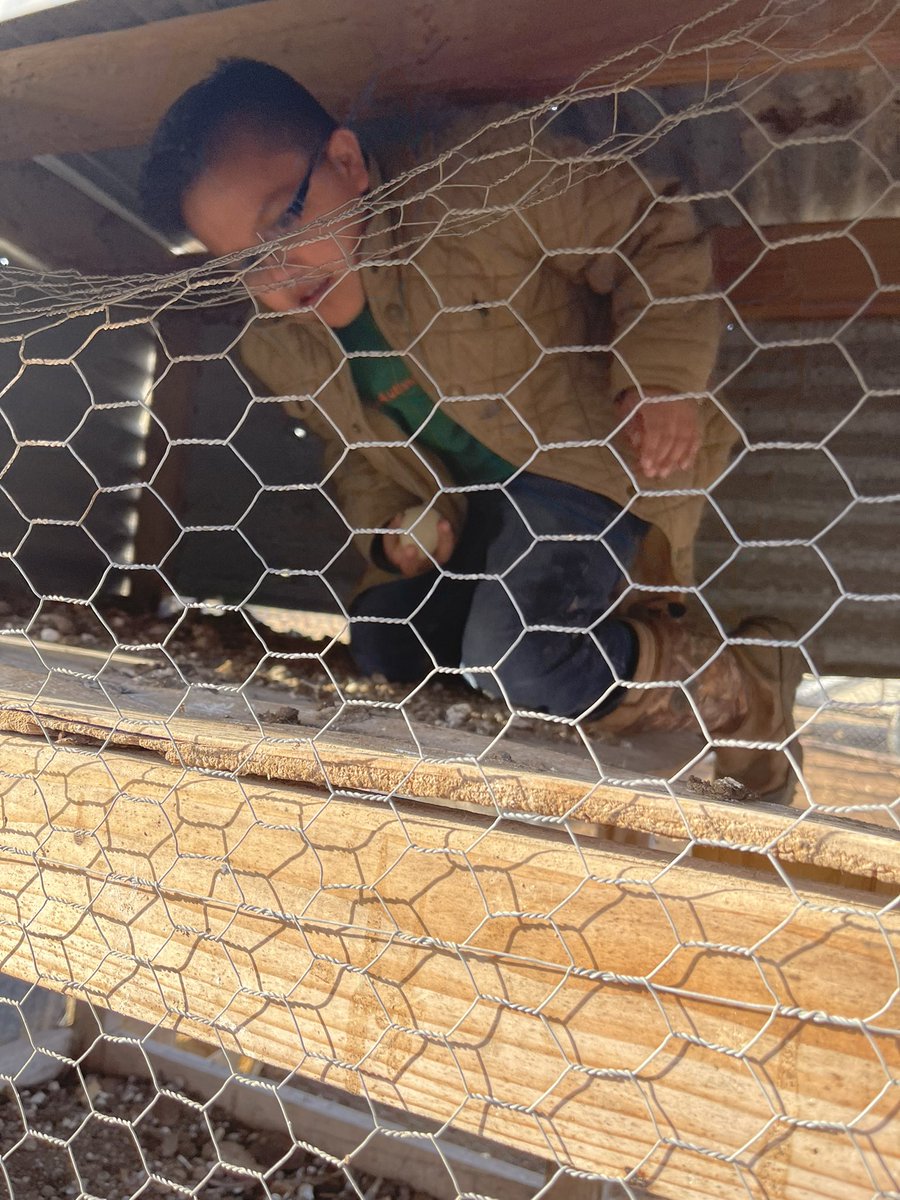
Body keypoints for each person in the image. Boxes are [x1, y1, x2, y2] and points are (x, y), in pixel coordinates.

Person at [141, 58, 803, 800]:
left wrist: (661, 379)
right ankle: (569, 678)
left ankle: (742, 689)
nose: (279, 272)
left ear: (348, 163)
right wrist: (387, 527)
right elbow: (348, 452)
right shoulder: (280, 343)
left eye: (286, 220)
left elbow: (649, 230)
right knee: (387, 644)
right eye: (244, 263)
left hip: (587, 463)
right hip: (469, 510)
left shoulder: (480, 185)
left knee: (518, 654)